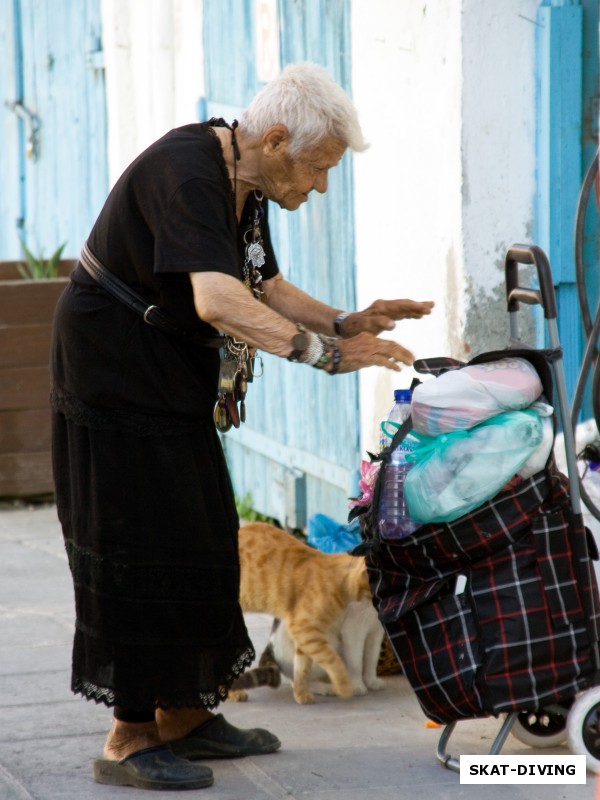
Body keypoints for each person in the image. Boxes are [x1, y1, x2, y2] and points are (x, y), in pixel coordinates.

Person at [50, 62, 433, 791]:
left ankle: (187, 716)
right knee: (135, 547)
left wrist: (348, 321)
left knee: (199, 537)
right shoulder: (188, 171)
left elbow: (265, 285)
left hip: (168, 378)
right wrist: (327, 354)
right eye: (318, 168)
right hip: (112, 374)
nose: (319, 186)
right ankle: (130, 738)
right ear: (279, 138)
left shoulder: (246, 182)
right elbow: (220, 299)